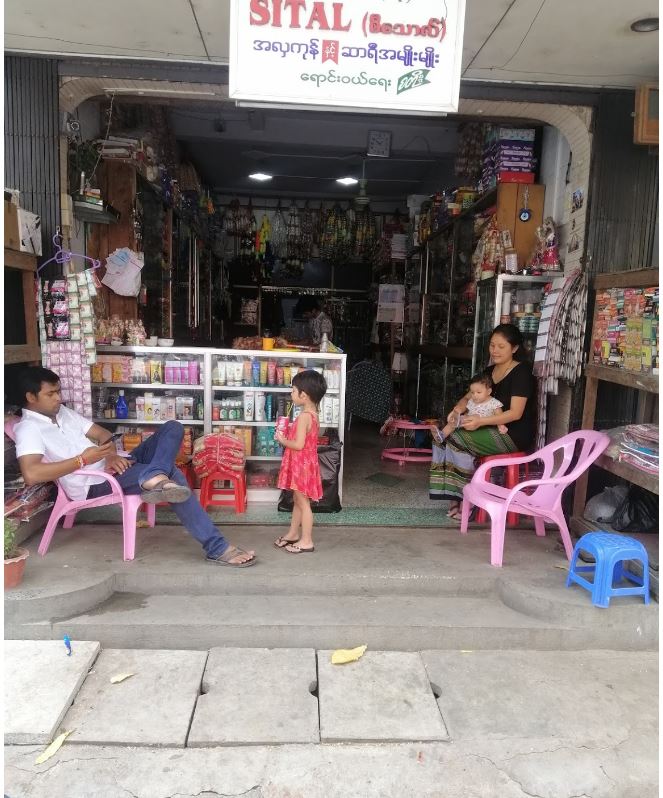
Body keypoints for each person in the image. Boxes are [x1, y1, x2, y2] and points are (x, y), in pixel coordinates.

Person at [13, 367, 256, 567]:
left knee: (172, 427)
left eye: (58, 391)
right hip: (94, 483)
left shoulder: (63, 413)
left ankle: (155, 477)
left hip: (117, 464)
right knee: (173, 475)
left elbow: (103, 434)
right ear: (31, 397)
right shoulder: (28, 429)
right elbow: (32, 474)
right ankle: (216, 547)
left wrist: (109, 456)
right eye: (51, 394)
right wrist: (82, 460)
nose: (58, 398)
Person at [429, 324, 536, 520]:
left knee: (458, 439)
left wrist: (481, 421)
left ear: (514, 348)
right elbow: (467, 397)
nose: (495, 350)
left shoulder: (522, 372)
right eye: (492, 345)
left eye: (501, 346)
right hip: (486, 427)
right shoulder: (488, 372)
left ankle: (469, 502)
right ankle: (453, 496)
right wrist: (458, 410)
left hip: (512, 434)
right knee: (441, 437)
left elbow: (515, 413)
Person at [273, 369, 327, 554]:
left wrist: (282, 440)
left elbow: (298, 445)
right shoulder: (312, 414)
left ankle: (307, 541)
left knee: (303, 503)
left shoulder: (304, 417)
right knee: (298, 499)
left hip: (301, 465)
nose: (291, 394)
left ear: (304, 395)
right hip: (305, 464)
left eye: (293, 390)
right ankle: (293, 533)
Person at [432, 373, 508, 442]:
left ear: (488, 391)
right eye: (472, 392)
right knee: (453, 422)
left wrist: (501, 426)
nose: (475, 395)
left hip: (483, 425)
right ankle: (442, 435)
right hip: (469, 423)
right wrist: (459, 417)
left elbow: (499, 416)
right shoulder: (471, 401)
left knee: (474, 416)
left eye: (479, 392)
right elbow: (468, 412)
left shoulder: (493, 403)